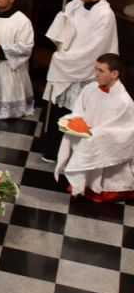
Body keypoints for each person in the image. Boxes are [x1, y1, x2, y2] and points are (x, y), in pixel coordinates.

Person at [40, 0, 118, 161]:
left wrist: (66, 59)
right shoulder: (75, 4)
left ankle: (71, 155)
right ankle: (52, 149)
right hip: (68, 60)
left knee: (75, 113)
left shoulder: (105, 15)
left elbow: (95, 48)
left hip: (84, 69)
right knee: (58, 108)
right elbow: (64, 24)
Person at [55, 54, 134, 202]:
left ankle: (103, 188)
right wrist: (75, 121)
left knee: (93, 144)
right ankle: (83, 183)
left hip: (105, 140)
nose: (96, 74)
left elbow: (125, 130)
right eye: (95, 69)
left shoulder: (124, 101)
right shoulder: (90, 88)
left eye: (101, 71)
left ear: (115, 74)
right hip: (89, 134)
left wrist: (96, 134)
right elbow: (79, 110)